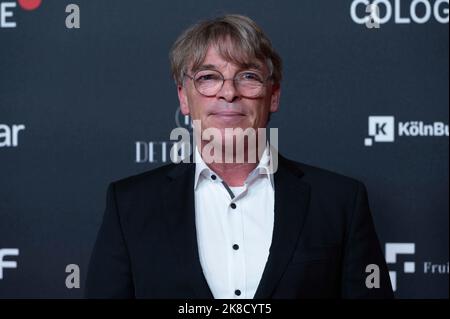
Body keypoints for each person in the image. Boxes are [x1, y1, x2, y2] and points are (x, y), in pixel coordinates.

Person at [85, 14, 394, 299]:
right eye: (208, 77)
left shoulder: (340, 202)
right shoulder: (129, 205)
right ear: (183, 96)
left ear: (273, 95)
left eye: (247, 76)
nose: (228, 92)